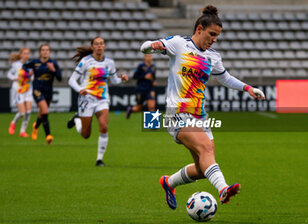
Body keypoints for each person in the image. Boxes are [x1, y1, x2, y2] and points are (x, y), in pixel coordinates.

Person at [140, 5, 265, 210]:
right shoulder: (179, 44)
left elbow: (224, 77)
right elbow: (145, 47)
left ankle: (169, 182)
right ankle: (223, 188)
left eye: (217, 36)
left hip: (200, 115)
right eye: (212, 34)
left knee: (201, 167)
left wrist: (247, 88)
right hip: (177, 113)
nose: (214, 39)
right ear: (199, 29)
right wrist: (150, 46)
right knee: (206, 148)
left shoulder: (212, 57)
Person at [67, 37, 129, 167]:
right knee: (85, 134)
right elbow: (72, 80)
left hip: (102, 99)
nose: (99, 46)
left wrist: (121, 79)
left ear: (104, 46)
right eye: (96, 44)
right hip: (87, 100)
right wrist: (80, 89)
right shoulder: (85, 61)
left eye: (101, 44)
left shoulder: (109, 62)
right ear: (92, 47)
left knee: (104, 126)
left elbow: (114, 80)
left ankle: (99, 160)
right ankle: (76, 120)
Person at [23, 44, 62, 144]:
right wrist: (28, 72)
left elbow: (60, 78)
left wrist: (53, 70)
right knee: (45, 111)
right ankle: (48, 135)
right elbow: (24, 66)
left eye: (47, 50)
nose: (45, 52)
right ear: (40, 52)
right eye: (43, 50)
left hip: (48, 92)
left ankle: (35, 127)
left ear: (49, 52)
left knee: (41, 114)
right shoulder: (35, 63)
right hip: (37, 90)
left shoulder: (53, 63)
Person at [7, 48, 33, 137]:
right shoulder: (16, 65)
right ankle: (13, 123)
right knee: (22, 113)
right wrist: (15, 78)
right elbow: (9, 74)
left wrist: (31, 77)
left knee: (28, 112)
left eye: (28, 53)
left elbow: (32, 77)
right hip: (18, 90)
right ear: (21, 55)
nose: (26, 55)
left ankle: (22, 131)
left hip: (28, 89)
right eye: (24, 53)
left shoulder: (30, 65)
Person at [126, 54, 156, 118]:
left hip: (150, 89)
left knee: (152, 106)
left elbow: (153, 76)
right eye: (147, 56)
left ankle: (152, 125)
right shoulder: (140, 66)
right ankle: (130, 109)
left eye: (150, 56)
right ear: (145, 57)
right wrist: (144, 77)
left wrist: (154, 81)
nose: (149, 58)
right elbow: (134, 76)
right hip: (141, 89)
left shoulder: (153, 67)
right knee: (138, 108)